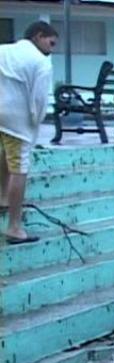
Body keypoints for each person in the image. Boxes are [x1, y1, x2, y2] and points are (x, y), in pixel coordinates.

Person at [0, 21, 56, 244]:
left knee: (4, 154)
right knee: (19, 167)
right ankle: (14, 227)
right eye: (50, 42)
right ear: (38, 36)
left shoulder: (3, 50)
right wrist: (36, 121)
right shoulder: (41, 63)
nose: (52, 48)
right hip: (18, 120)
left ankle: (3, 197)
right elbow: (40, 99)